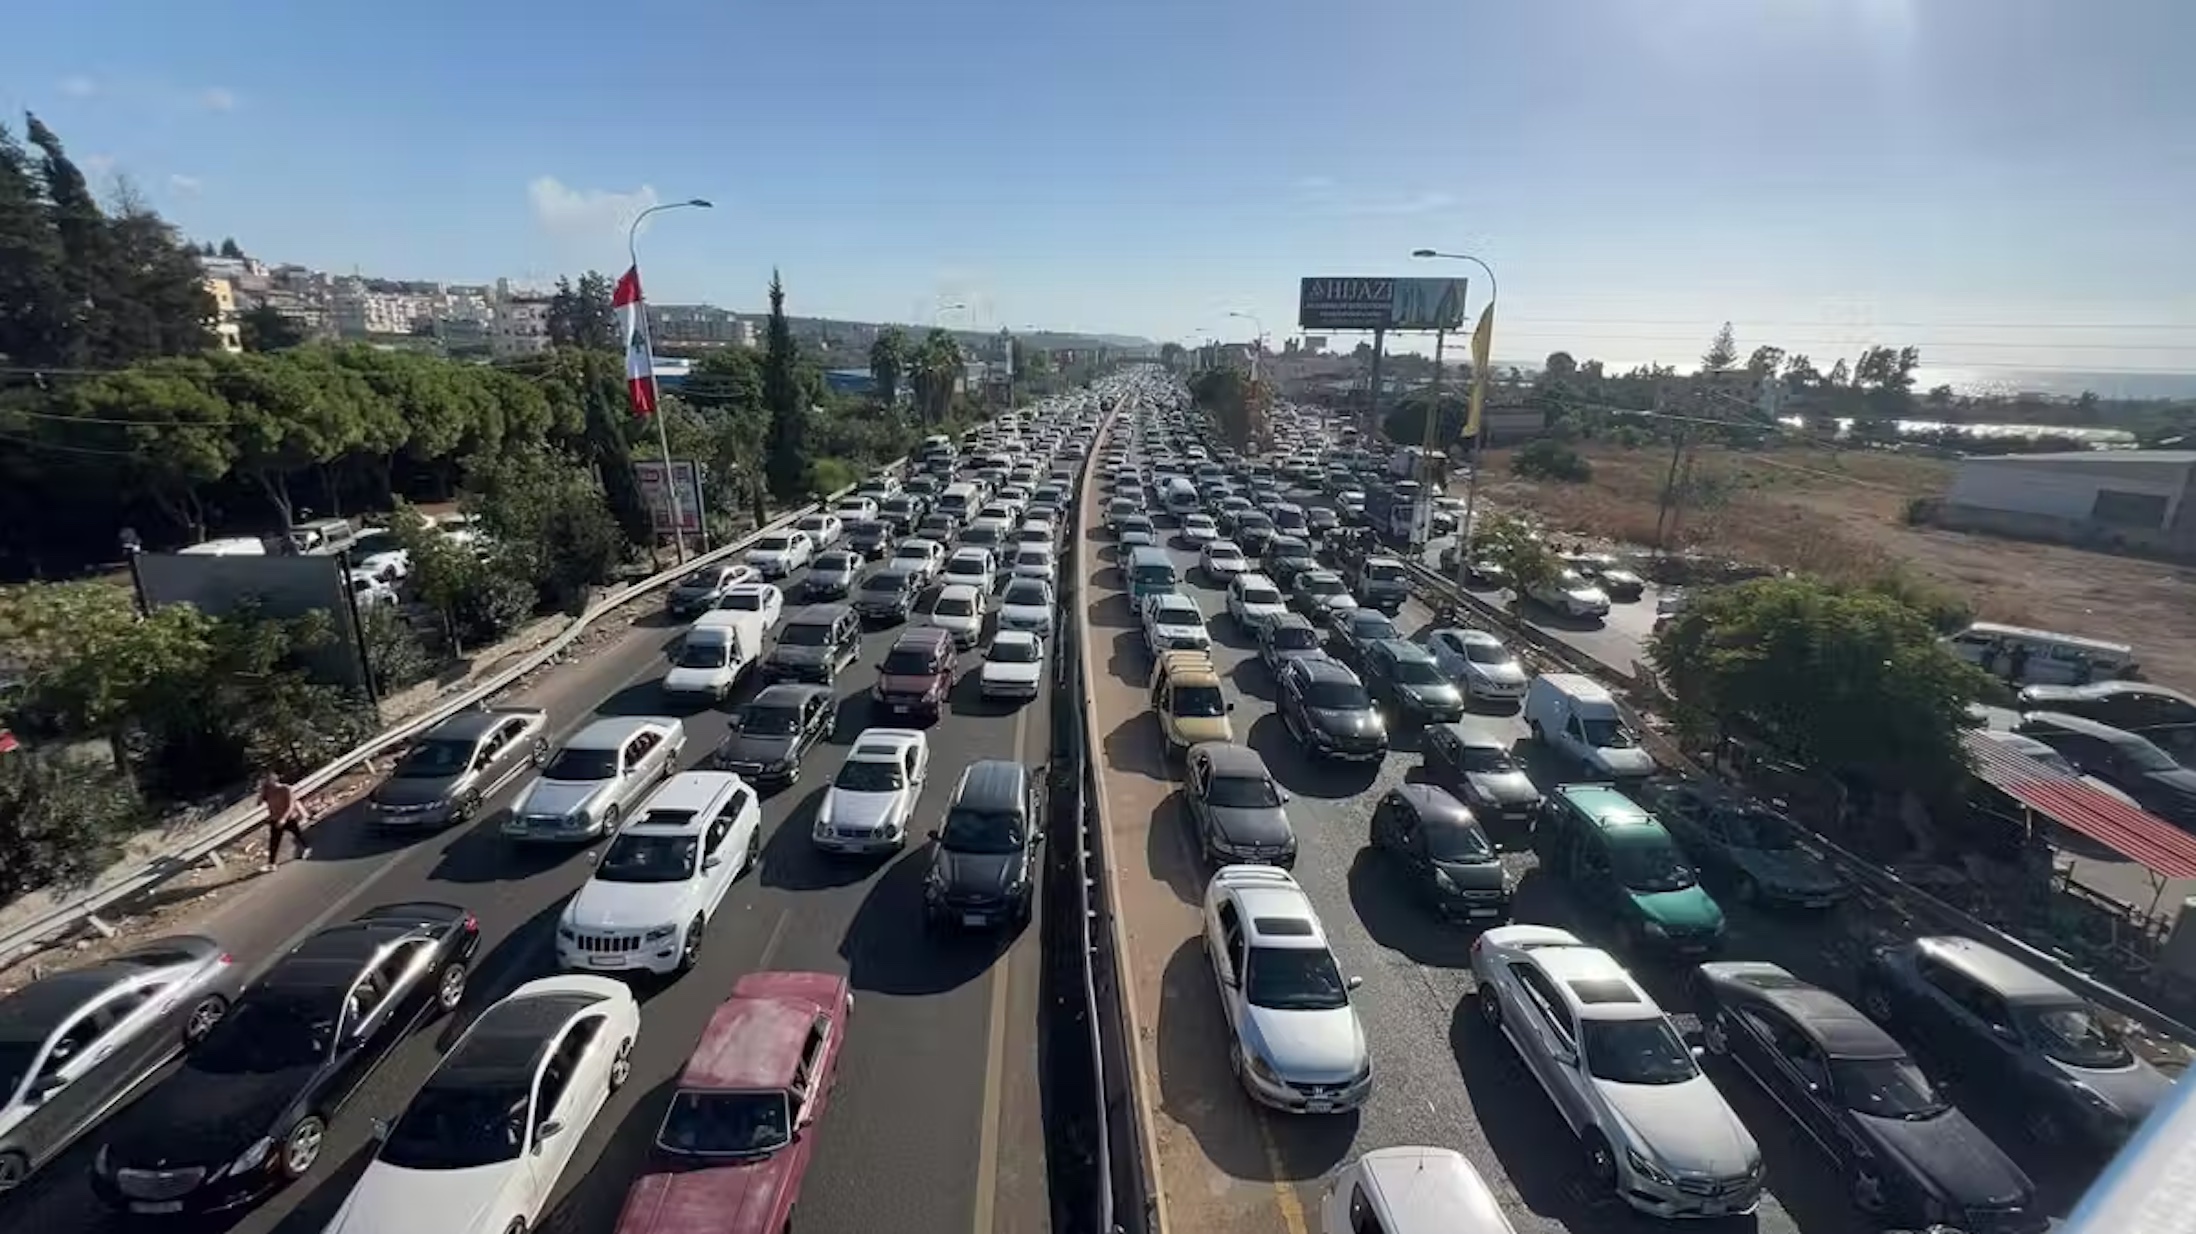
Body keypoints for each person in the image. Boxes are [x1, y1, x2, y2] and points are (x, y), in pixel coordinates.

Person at [257, 772, 312, 871]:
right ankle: (272, 864)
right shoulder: (267, 792)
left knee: (297, 834)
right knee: (274, 842)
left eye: (267, 780)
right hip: (275, 819)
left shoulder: (285, 789)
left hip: (288, 818)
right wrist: (262, 791)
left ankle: (306, 848)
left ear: (274, 780)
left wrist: (284, 818)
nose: (266, 783)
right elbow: (259, 803)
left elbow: (291, 805)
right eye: (265, 781)